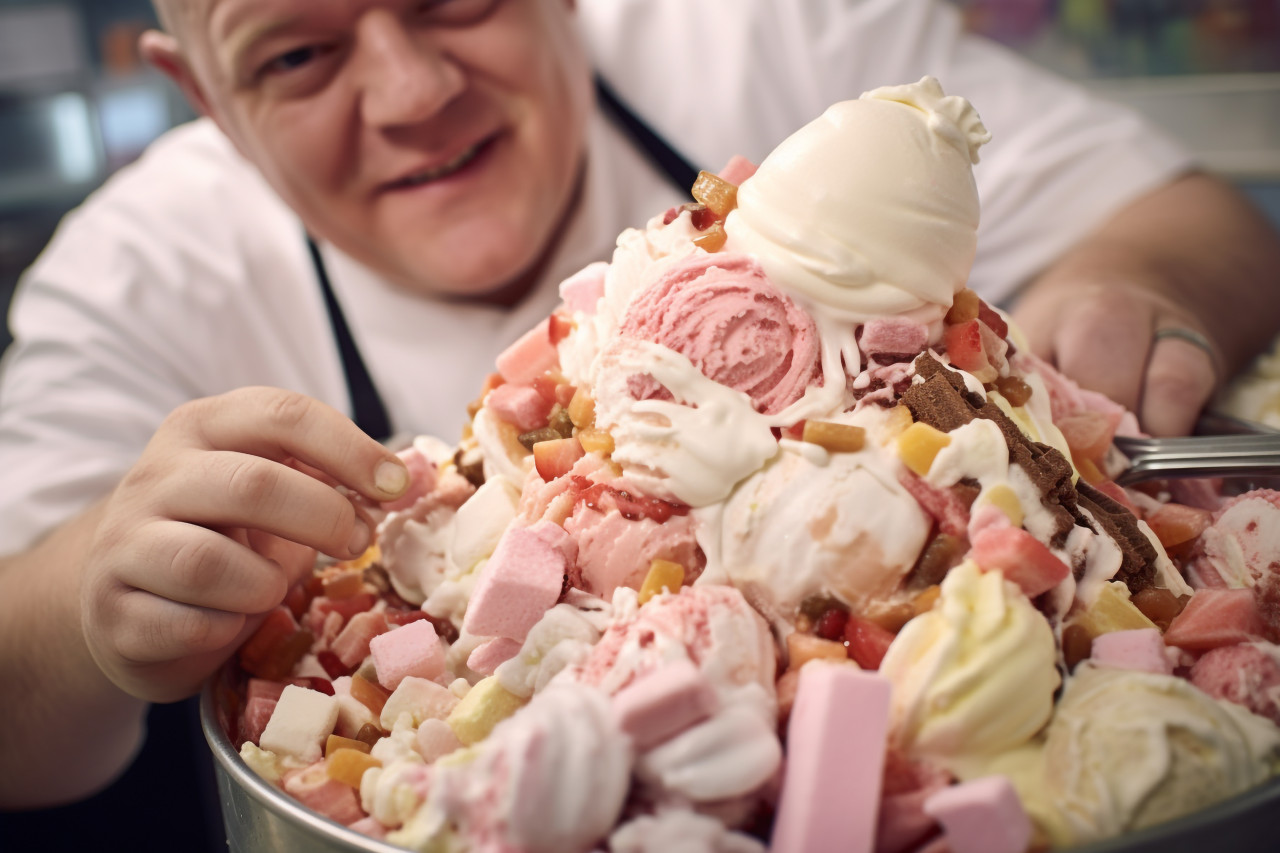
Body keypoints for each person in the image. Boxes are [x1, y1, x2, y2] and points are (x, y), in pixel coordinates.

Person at [2, 0, 1278, 830]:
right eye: (295, 56)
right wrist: (83, 602)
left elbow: (1197, 217)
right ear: (201, 92)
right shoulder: (134, 272)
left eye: (454, 0)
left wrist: (1132, 295)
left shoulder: (770, 35)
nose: (409, 90)